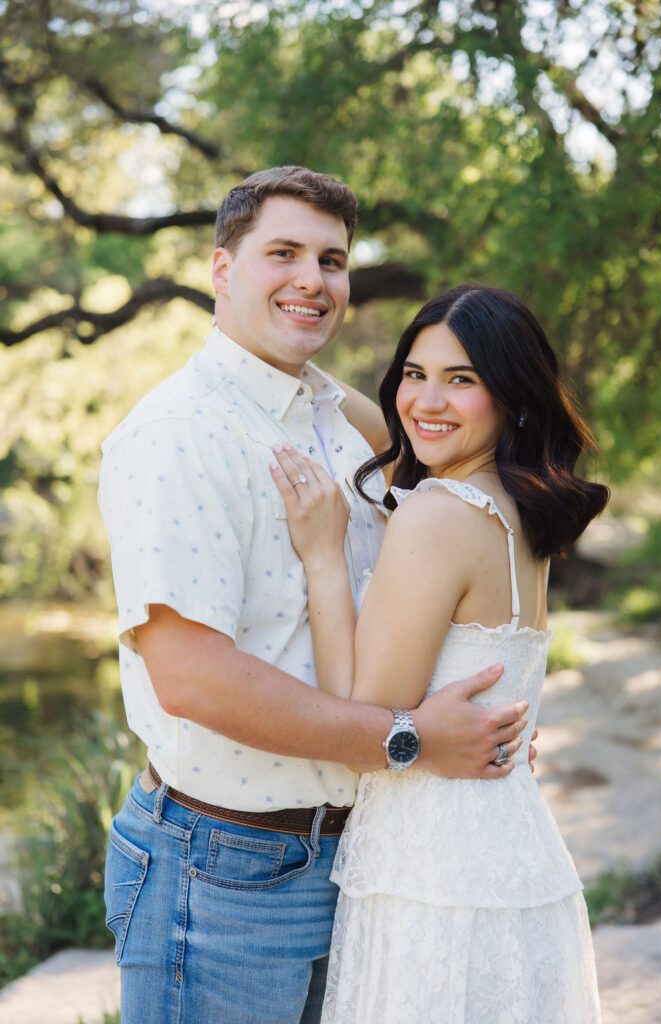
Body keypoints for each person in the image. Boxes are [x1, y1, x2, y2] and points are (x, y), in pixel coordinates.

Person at [97, 168, 534, 1024]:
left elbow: (445, 553)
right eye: (283, 254)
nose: (312, 280)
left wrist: (498, 697)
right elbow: (192, 678)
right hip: (224, 872)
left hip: (362, 855)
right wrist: (410, 742)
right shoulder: (181, 434)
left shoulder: (333, 418)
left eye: (331, 260)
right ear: (221, 270)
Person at [271, 283, 609, 1023]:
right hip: (512, 857)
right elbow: (397, 421)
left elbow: (362, 721)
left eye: (462, 380)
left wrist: (325, 556)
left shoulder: (434, 515)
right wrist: (305, 365)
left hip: (433, 871)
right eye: (413, 374)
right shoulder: (519, 510)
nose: (427, 400)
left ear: (512, 396)